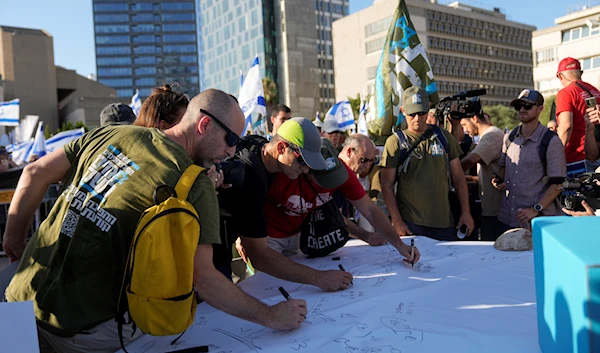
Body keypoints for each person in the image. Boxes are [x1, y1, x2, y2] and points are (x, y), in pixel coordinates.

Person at [3, 89, 306, 353]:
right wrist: (272, 316)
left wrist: (13, 238)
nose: (232, 151)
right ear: (204, 125)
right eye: (232, 139)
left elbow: (34, 173)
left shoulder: (111, 133)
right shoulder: (193, 183)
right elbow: (206, 281)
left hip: (19, 298)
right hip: (83, 330)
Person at [380, 85, 474, 241]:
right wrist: (396, 220)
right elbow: (386, 184)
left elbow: (458, 177)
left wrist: (466, 212)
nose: (417, 118)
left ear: (429, 109)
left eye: (422, 113)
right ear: (403, 111)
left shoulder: (443, 137)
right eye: (412, 113)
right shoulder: (395, 142)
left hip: (445, 223)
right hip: (411, 224)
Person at [492, 89, 566, 232]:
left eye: (527, 106)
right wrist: (499, 178)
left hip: (538, 221)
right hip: (508, 217)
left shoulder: (550, 141)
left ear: (540, 109)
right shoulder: (510, 137)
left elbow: (558, 184)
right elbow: (503, 166)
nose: (522, 110)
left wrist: (536, 208)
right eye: (518, 106)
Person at [460, 112, 505, 240]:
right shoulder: (487, 136)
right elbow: (490, 172)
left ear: (474, 119)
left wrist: (452, 173)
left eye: (464, 124)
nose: (464, 129)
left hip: (495, 210)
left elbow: (471, 160)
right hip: (489, 207)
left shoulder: (492, 135)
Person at [336, 134, 385, 243]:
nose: (367, 165)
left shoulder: (349, 174)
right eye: (364, 160)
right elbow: (337, 218)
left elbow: (370, 209)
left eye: (371, 160)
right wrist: (367, 236)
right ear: (349, 152)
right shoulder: (337, 175)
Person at [555, 57, 600, 175]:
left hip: (576, 159)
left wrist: (554, 155)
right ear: (581, 73)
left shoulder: (566, 93)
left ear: (560, 76)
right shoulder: (595, 91)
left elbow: (566, 127)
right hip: (596, 156)